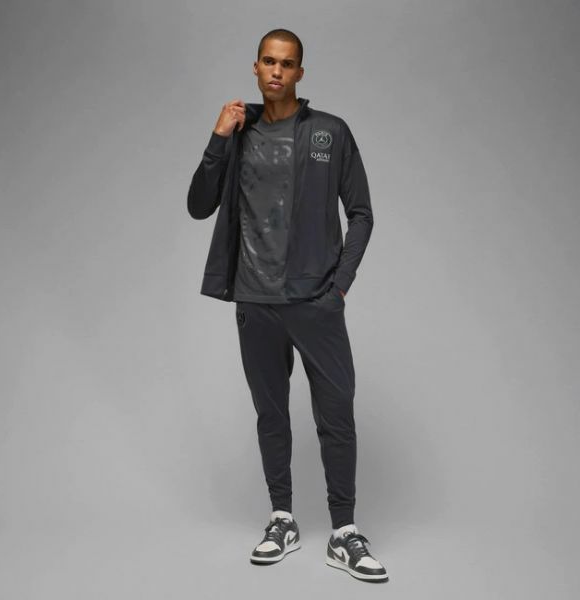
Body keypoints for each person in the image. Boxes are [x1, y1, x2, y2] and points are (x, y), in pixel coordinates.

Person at [187, 28, 388, 583]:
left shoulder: (329, 132)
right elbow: (199, 205)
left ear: (300, 72)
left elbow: (362, 213)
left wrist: (339, 286)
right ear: (255, 67)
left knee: (336, 415)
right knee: (271, 416)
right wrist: (217, 138)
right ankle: (282, 519)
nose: (277, 71)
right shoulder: (238, 133)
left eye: (288, 63)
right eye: (268, 62)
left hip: (315, 303)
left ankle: (344, 532)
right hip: (255, 302)